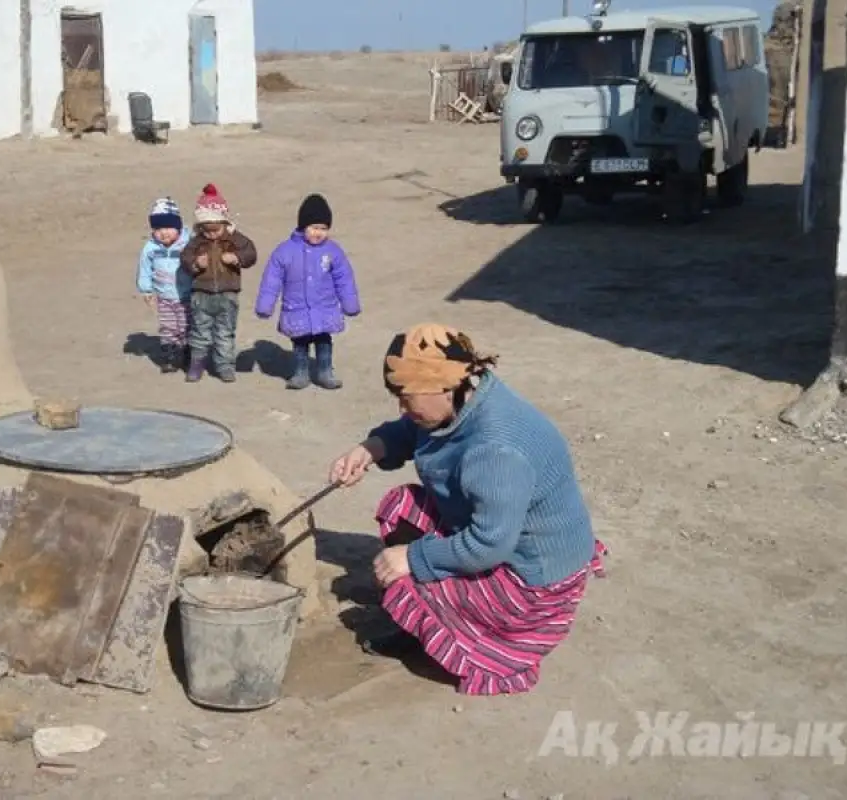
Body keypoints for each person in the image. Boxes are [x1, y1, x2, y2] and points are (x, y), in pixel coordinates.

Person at [328, 323, 607, 696]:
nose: (402, 406)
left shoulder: (496, 450)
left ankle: (460, 637)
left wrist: (413, 557)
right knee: (401, 507)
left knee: (404, 580)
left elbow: (488, 546)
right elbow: (413, 431)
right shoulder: (465, 399)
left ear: (447, 386)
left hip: (533, 578)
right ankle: (434, 615)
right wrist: (370, 449)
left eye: (407, 397)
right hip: (506, 541)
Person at [255, 193, 361, 390]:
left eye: (323, 228)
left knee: (324, 343)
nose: (318, 233)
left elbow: (344, 278)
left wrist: (350, 303)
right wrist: (265, 305)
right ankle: (300, 373)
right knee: (300, 345)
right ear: (303, 226)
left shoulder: (333, 251)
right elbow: (272, 279)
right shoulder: (285, 251)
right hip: (297, 309)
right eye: (314, 228)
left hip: (324, 309)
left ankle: (325, 372)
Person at [179, 184, 258, 383]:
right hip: (201, 294)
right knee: (200, 332)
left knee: (225, 332)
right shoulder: (196, 242)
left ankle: (225, 366)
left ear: (224, 222)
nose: (212, 234)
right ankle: (196, 364)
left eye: (216, 229)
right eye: (207, 230)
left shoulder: (235, 239)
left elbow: (251, 253)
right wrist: (196, 264)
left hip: (227, 294)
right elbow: (185, 258)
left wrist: (237, 258)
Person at [136, 197, 192, 373]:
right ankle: (170, 357)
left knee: (186, 327)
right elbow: (144, 268)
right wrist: (145, 289)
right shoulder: (151, 248)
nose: (164, 233)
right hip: (164, 296)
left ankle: (188, 355)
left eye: (168, 227)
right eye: (158, 229)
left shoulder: (189, 243)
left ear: (179, 227)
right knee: (168, 327)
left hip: (186, 295)